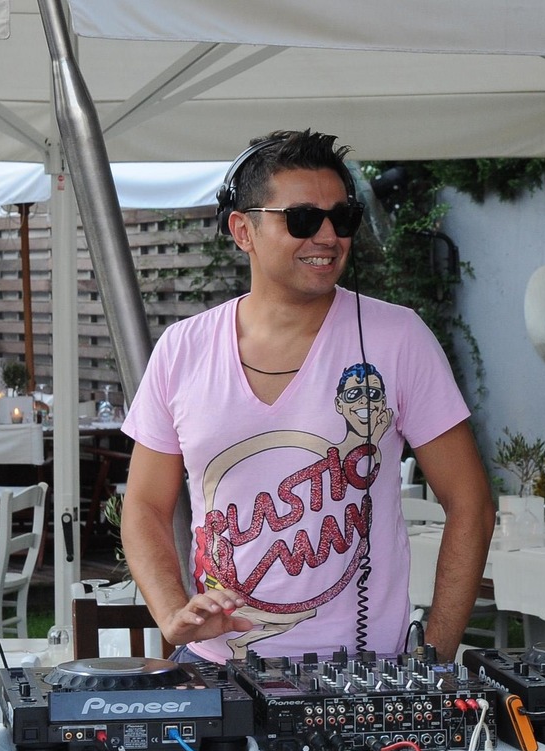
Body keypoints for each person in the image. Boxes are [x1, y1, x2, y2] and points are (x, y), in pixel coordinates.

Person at [121, 129, 493, 664]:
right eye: (301, 219)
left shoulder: (399, 338)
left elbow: (471, 504)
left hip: (365, 674)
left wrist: (432, 658)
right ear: (242, 230)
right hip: (216, 667)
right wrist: (170, 611)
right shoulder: (183, 348)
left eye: (342, 218)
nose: (327, 236)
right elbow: (144, 505)